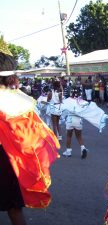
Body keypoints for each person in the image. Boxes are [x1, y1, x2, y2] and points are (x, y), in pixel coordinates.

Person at [0, 38, 60, 225]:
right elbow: (33, 137)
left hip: (5, 161)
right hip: (14, 164)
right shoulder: (22, 101)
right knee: (14, 209)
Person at [62, 87, 89, 159]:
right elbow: (86, 108)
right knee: (79, 136)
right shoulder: (82, 101)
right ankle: (83, 148)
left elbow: (63, 109)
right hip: (78, 119)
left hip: (70, 119)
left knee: (69, 136)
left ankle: (68, 151)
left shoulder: (67, 100)